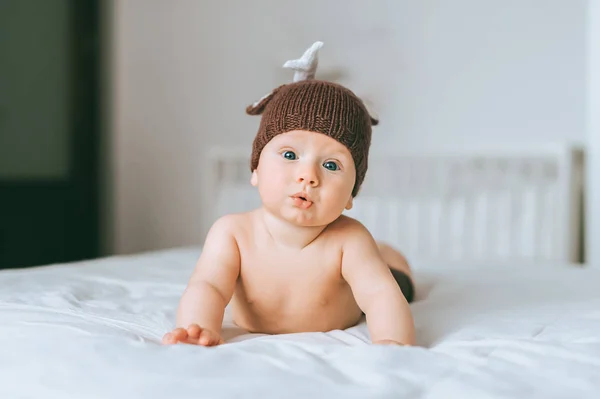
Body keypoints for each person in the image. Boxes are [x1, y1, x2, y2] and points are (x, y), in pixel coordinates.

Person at [163, 42, 416, 347]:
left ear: (351, 194)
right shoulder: (232, 232)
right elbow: (208, 286)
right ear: (255, 169)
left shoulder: (349, 240)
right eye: (289, 154)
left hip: (362, 287)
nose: (308, 176)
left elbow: (378, 296)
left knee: (397, 285)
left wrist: (392, 342)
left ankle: (390, 257)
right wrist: (197, 328)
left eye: (332, 164)